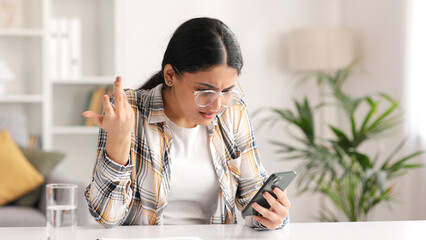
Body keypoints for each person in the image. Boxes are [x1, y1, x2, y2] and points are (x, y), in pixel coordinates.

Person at [82, 17, 290, 230]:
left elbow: (254, 206)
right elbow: (107, 217)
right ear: (170, 75)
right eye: (204, 91)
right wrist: (119, 139)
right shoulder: (129, 111)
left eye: (227, 91)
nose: (216, 104)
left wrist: (274, 215)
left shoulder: (233, 112)